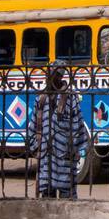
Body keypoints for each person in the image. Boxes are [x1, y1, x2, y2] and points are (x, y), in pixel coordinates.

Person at [29, 65, 84, 199]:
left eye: (52, 75)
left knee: (67, 196)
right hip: (46, 158)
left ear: (59, 77)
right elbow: (33, 126)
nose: (49, 78)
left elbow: (78, 125)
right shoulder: (41, 99)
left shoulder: (70, 98)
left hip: (64, 156)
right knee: (47, 195)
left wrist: (76, 149)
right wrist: (36, 147)